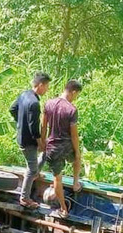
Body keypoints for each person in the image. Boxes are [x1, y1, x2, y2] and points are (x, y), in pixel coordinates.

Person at [41, 80, 83, 218]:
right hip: (66, 146)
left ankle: (63, 209)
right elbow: (74, 135)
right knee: (77, 158)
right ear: (73, 92)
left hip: (52, 146)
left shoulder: (48, 104)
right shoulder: (71, 109)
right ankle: (76, 183)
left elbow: (44, 126)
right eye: (76, 95)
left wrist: (43, 142)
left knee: (57, 179)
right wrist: (77, 151)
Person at [10, 72, 51, 209]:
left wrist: (19, 122)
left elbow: (12, 109)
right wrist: (41, 143)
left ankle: (34, 175)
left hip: (21, 137)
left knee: (35, 163)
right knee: (32, 169)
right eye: (46, 86)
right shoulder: (34, 103)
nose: (47, 89)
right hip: (28, 141)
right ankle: (24, 198)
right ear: (40, 85)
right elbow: (34, 128)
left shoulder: (24, 95)